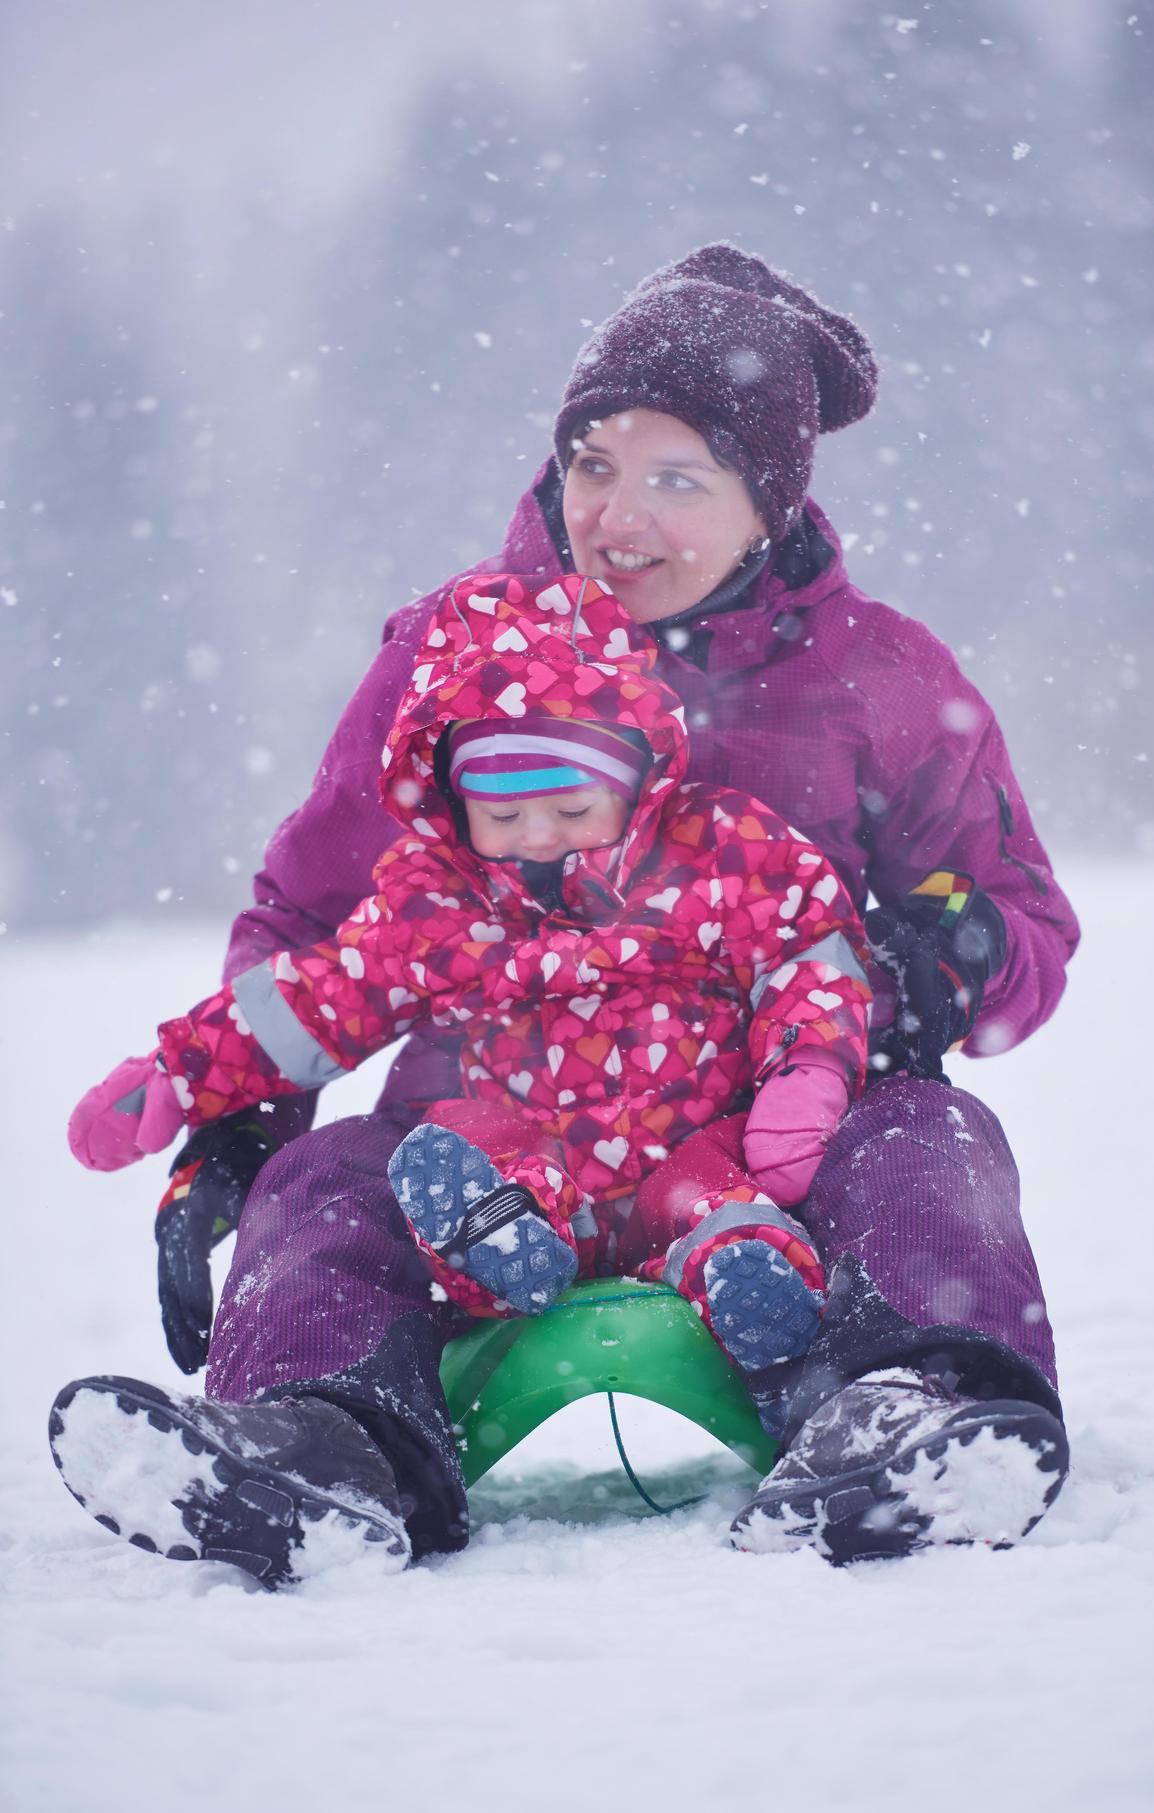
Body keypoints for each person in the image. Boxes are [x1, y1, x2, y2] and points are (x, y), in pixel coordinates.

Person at [52, 243, 1078, 1579]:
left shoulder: (872, 673)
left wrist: (900, 978)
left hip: (776, 1127)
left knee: (931, 1136)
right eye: (597, 465)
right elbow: (317, 923)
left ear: (765, 505)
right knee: (329, 1185)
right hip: (488, 1134)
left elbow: (1014, 914)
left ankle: (904, 1414)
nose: (622, 518)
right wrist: (239, 1127)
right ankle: (323, 1446)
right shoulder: (453, 658)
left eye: (677, 480)